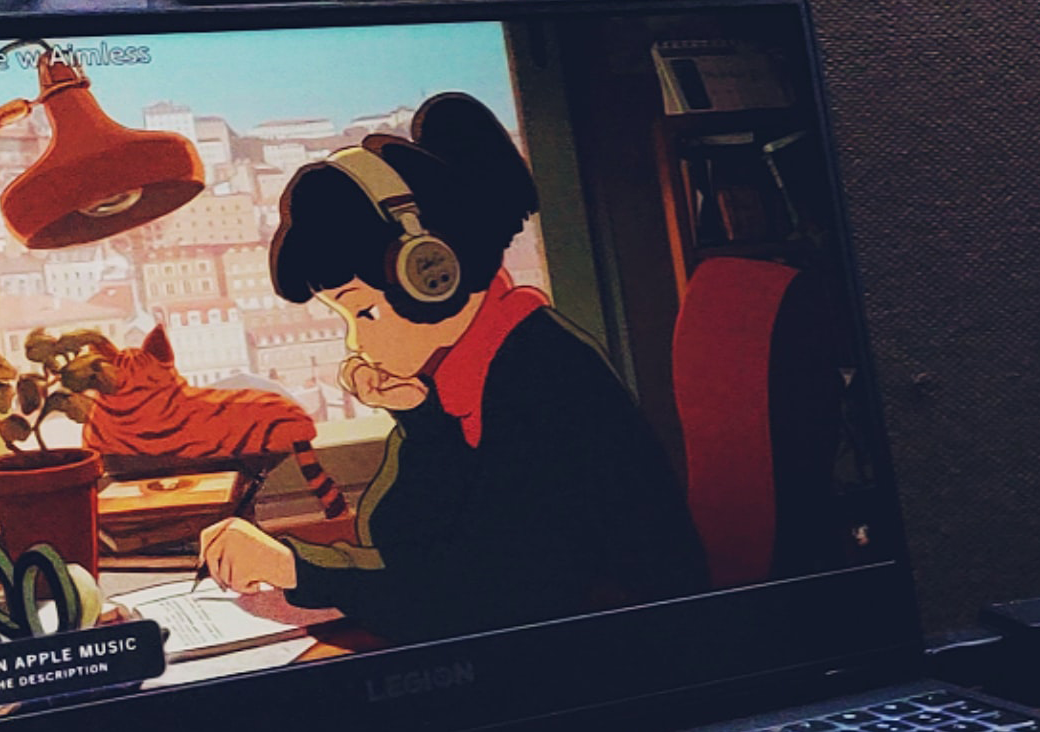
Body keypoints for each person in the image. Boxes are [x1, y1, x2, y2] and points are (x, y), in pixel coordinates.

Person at [196, 93, 703, 643]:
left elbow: (477, 593)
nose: (357, 342)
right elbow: (399, 538)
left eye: (364, 311)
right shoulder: (471, 373)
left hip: (625, 651)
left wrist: (297, 570)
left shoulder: (545, 379)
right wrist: (423, 422)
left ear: (429, 276)